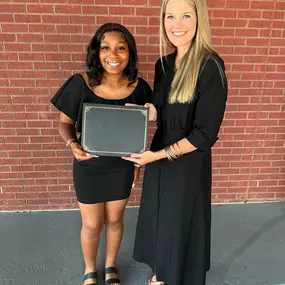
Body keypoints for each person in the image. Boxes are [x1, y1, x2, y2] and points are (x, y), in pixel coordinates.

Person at [122, 0, 228, 284]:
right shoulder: (163, 64)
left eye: (185, 15)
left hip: (187, 161)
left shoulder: (210, 66)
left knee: (178, 223)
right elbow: (163, 110)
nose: (176, 24)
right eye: (170, 16)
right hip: (159, 152)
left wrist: (155, 156)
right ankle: (162, 272)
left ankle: (173, 276)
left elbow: (204, 134)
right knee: (159, 219)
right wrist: (146, 113)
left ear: (199, 19)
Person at [50, 23, 152, 285]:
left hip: (122, 167)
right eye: (105, 47)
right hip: (89, 165)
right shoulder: (80, 83)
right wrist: (73, 144)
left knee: (116, 220)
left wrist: (138, 166)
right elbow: (64, 123)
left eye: (121, 47)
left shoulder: (139, 88)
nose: (113, 55)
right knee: (92, 225)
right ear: (96, 52)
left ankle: (109, 266)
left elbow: (141, 130)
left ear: (130, 53)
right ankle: (89, 269)